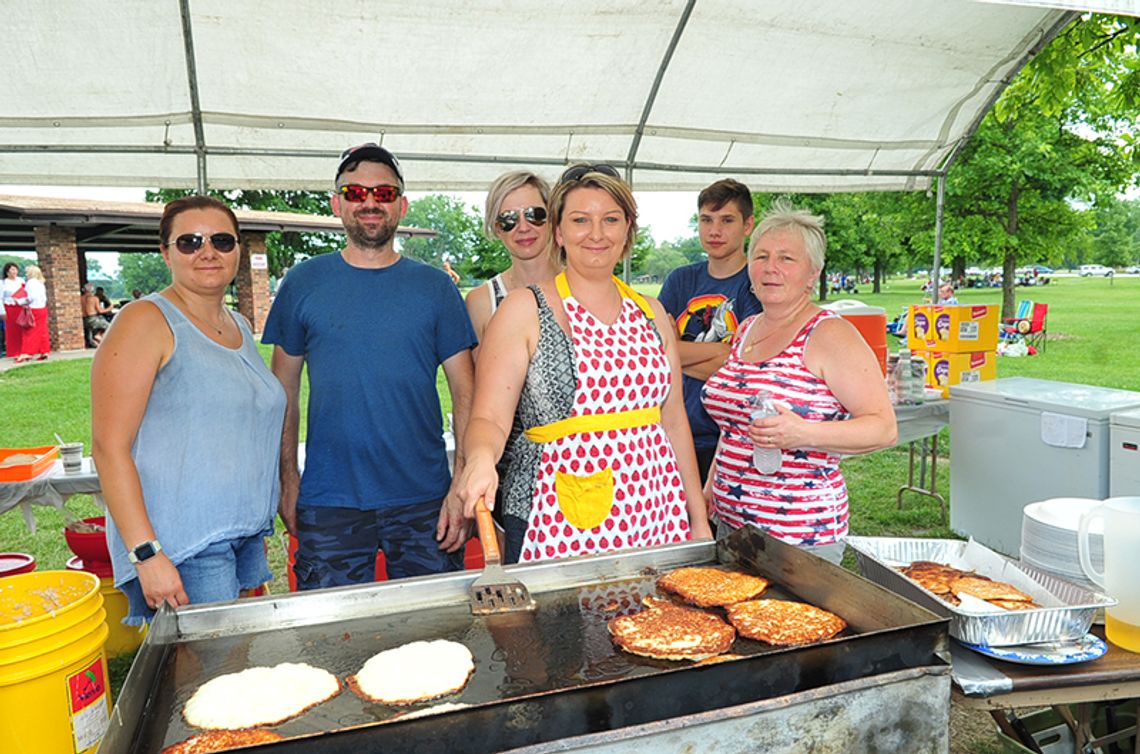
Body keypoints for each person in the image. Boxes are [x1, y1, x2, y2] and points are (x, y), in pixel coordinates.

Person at [457, 164, 712, 563]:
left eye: (610, 219)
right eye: (580, 220)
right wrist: (480, 459)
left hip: (656, 507)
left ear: (628, 229)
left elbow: (674, 419)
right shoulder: (524, 309)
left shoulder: (653, 312)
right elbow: (489, 417)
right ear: (559, 232)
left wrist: (697, 518)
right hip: (560, 510)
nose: (596, 233)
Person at [263, 143, 476, 590]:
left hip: (424, 499)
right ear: (337, 202)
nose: (370, 202)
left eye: (383, 192)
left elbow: (467, 393)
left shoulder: (435, 288)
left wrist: (461, 485)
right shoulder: (303, 282)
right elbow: (281, 392)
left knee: (432, 635)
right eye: (356, 192)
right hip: (329, 498)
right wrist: (287, 478)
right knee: (332, 642)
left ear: (401, 204)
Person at [91, 196, 286, 622]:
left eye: (221, 239)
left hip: (239, 534)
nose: (207, 251)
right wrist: (147, 554)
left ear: (237, 248)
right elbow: (109, 447)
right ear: (165, 252)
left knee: (236, 665)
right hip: (184, 545)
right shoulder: (145, 320)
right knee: (209, 677)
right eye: (189, 241)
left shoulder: (237, 325)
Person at [701, 199, 896, 563]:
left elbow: (883, 428)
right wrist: (712, 483)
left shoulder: (830, 335)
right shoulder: (746, 329)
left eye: (786, 259)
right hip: (732, 524)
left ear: (813, 273)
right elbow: (735, 424)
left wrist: (802, 432)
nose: (770, 268)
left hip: (798, 536)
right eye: (761, 257)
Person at [465, 171, 560, 522]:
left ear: (554, 218)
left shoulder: (583, 289)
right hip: (509, 469)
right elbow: (478, 398)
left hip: (585, 461)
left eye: (535, 215)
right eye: (508, 219)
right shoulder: (482, 301)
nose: (523, 227)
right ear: (495, 227)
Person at [659, 179, 762, 484]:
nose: (714, 230)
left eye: (727, 220)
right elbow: (655, 354)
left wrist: (677, 355)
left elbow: (748, 365)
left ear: (747, 225)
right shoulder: (680, 281)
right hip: (675, 432)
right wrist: (721, 353)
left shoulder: (755, 284)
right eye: (706, 220)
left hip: (732, 439)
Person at [14, 265, 50, 362]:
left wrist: (19, 301)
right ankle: (44, 351)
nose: (26, 274)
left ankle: (27, 353)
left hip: (34, 309)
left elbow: (30, 298)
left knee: (29, 331)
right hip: (42, 308)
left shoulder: (30, 283)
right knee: (42, 330)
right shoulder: (40, 283)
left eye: (27, 272)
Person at [2, 263, 25, 359]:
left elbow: (25, 292)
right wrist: (2, 311)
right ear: (7, 272)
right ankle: (13, 351)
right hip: (9, 308)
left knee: (22, 329)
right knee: (12, 330)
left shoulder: (21, 280)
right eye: (12, 270)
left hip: (20, 307)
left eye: (15, 269)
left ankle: (24, 350)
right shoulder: (3, 283)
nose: (14, 271)